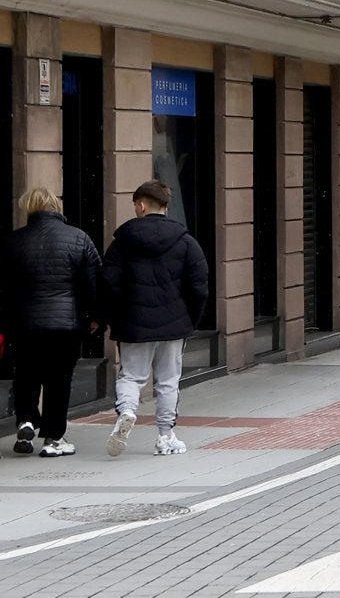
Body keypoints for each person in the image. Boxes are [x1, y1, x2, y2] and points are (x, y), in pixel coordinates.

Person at [102, 180, 210, 457]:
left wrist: (112, 318)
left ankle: (127, 411)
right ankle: (165, 436)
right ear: (165, 205)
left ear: (141, 205)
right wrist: (190, 320)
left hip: (133, 323)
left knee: (131, 376)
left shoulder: (122, 243)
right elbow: (199, 285)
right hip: (174, 324)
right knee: (168, 381)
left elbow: (108, 284)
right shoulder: (186, 242)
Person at [2, 189, 102, 457]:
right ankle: (53, 439)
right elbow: (94, 283)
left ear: (29, 209)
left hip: (25, 324)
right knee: (59, 380)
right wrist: (96, 317)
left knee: (25, 374)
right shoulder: (79, 238)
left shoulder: (14, 241)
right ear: (56, 207)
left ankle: (25, 422)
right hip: (65, 324)